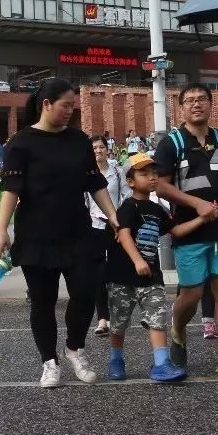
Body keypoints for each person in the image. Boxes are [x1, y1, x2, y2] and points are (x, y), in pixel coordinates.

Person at [0, 78, 120, 388]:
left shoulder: (78, 140)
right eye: (65, 105)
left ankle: (74, 348)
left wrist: (113, 216)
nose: (70, 111)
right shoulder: (20, 143)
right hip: (36, 234)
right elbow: (11, 189)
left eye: (72, 106)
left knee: (85, 292)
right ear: (46, 104)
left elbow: (95, 183)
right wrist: (1, 228)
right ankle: (49, 362)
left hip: (77, 231)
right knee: (43, 301)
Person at [154, 84, 218, 377]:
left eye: (201, 100)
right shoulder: (171, 143)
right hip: (189, 231)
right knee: (192, 293)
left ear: (211, 105)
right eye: (190, 101)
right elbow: (161, 186)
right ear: (181, 107)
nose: (196, 104)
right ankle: (178, 330)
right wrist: (197, 204)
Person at [106, 153, 191, 382]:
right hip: (122, 275)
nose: (152, 177)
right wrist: (137, 260)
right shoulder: (127, 207)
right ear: (130, 181)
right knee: (119, 322)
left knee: (157, 317)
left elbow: (175, 230)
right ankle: (116, 359)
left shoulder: (157, 209)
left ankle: (161, 363)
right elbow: (124, 235)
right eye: (144, 174)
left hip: (151, 276)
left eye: (154, 173)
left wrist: (202, 218)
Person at [90, 136, 128, 335]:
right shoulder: (87, 173)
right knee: (98, 274)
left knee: (115, 272)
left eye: (101, 147)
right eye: (94, 148)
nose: (98, 151)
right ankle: (102, 319)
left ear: (108, 149)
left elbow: (126, 196)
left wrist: (122, 222)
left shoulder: (117, 172)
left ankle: (117, 317)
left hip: (114, 226)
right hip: (94, 226)